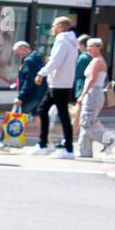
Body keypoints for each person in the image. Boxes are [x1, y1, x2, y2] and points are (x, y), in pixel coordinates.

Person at [32, 16, 78, 157]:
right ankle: (44, 144)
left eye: (54, 25)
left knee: (61, 115)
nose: (52, 28)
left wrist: (41, 73)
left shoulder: (62, 40)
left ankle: (67, 149)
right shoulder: (71, 41)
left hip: (58, 84)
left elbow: (56, 60)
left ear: (60, 26)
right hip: (62, 82)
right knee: (43, 110)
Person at [74, 38, 115, 157]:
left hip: (93, 93)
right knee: (88, 121)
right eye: (87, 46)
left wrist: (82, 95)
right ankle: (85, 151)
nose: (88, 49)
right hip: (95, 93)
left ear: (98, 47)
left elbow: (92, 80)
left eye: (91, 46)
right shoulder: (98, 60)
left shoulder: (96, 61)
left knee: (86, 122)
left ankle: (109, 140)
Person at [73, 35, 91, 100]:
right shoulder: (93, 56)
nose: (77, 47)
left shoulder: (83, 57)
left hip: (82, 87)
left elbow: (77, 74)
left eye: (78, 45)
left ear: (83, 45)